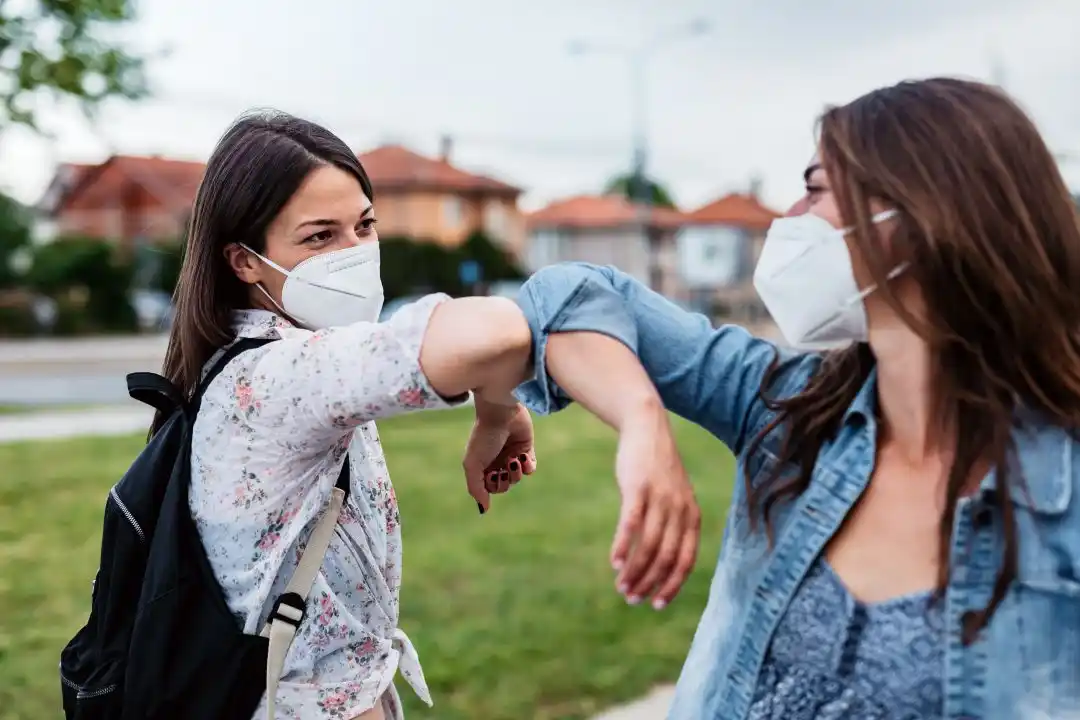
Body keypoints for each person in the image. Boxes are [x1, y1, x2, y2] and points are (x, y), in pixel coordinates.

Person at [513, 77, 1080, 719]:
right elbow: (570, 293)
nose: (789, 220)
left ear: (919, 218)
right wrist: (641, 419)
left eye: (815, 190)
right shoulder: (788, 408)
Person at [163, 111, 698, 720]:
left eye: (365, 226)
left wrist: (498, 413)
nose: (355, 253)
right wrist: (640, 420)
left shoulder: (277, 358)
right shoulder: (277, 379)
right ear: (244, 262)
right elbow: (496, 331)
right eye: (320, 237)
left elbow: (490, 346)